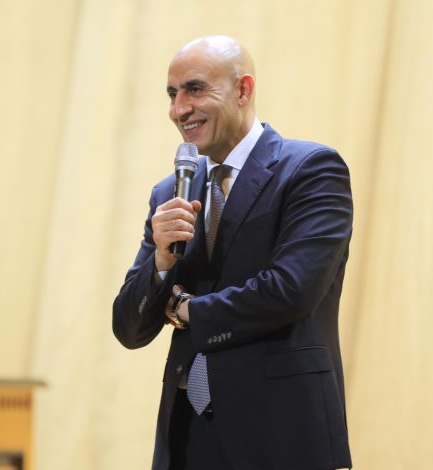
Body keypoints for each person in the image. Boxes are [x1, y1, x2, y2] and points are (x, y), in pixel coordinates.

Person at [112, 35, 353, 470]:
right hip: (187, 439)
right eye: (172, 94)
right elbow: (129, 328)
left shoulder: (310, 169)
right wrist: (161, 262)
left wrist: (185, 310)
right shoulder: (170, 193)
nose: (179, 109)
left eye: (195, 89)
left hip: (281, 434)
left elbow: (289, 291)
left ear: (243, 90)